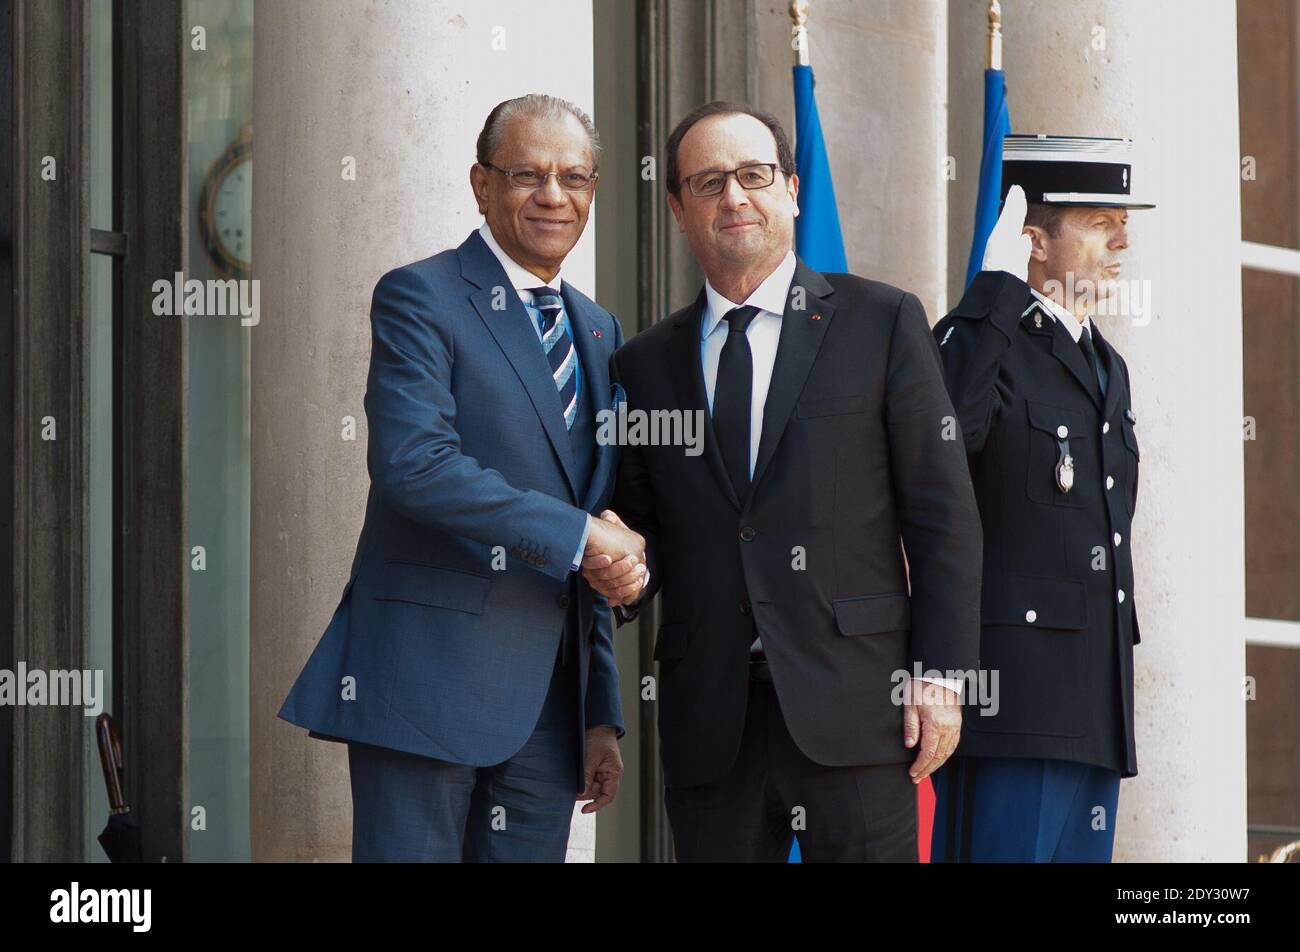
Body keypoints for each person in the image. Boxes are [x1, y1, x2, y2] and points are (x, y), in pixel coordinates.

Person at [584, 101, 982, 862]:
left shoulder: (881, 322)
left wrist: (942, 677)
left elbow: (943, 518)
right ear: (676, 208)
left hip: (861, 712)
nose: (733, 197)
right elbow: (647, 534)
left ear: (792, 189)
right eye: (707, 183)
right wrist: (624, 571)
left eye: (753, 175)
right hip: (711, 724)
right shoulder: (644, 364)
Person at [279, 94, 644, 862]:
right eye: (527, 174)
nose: (554, 195)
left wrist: (598, 713)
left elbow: (590, 515)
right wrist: (582, 536)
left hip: (550, 712)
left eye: (574, 177)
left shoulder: (600, 328)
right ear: (481, 185)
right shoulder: (421, 295)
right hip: (425, 684)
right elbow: (415, 464)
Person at [929, 134, 1154, 862]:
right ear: (1033, 242)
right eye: (1097, 221)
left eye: (1122, 221)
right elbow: (944, 440)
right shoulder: (984, 341)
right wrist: (989, 296)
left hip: (1093, 703)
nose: (1122, 239)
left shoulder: (1107, 366)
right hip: (1014, 704)